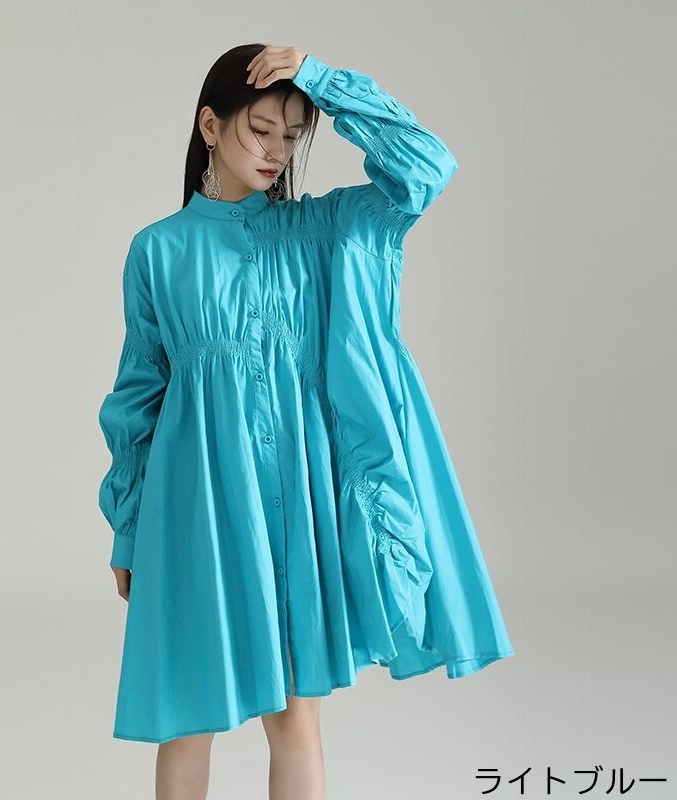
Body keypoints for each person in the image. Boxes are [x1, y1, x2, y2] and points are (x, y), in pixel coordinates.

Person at [97, 43, 514, 799]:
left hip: (298, 508)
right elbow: (138, 399)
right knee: (185, 716)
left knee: (296, 720)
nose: (277, 151)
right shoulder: (157, 251)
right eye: (260, 129)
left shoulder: (327, 231)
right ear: (210, 126)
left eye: (293, 135)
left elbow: (427, 166)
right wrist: (128, 530)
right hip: (195, 510)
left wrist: (322, 80)